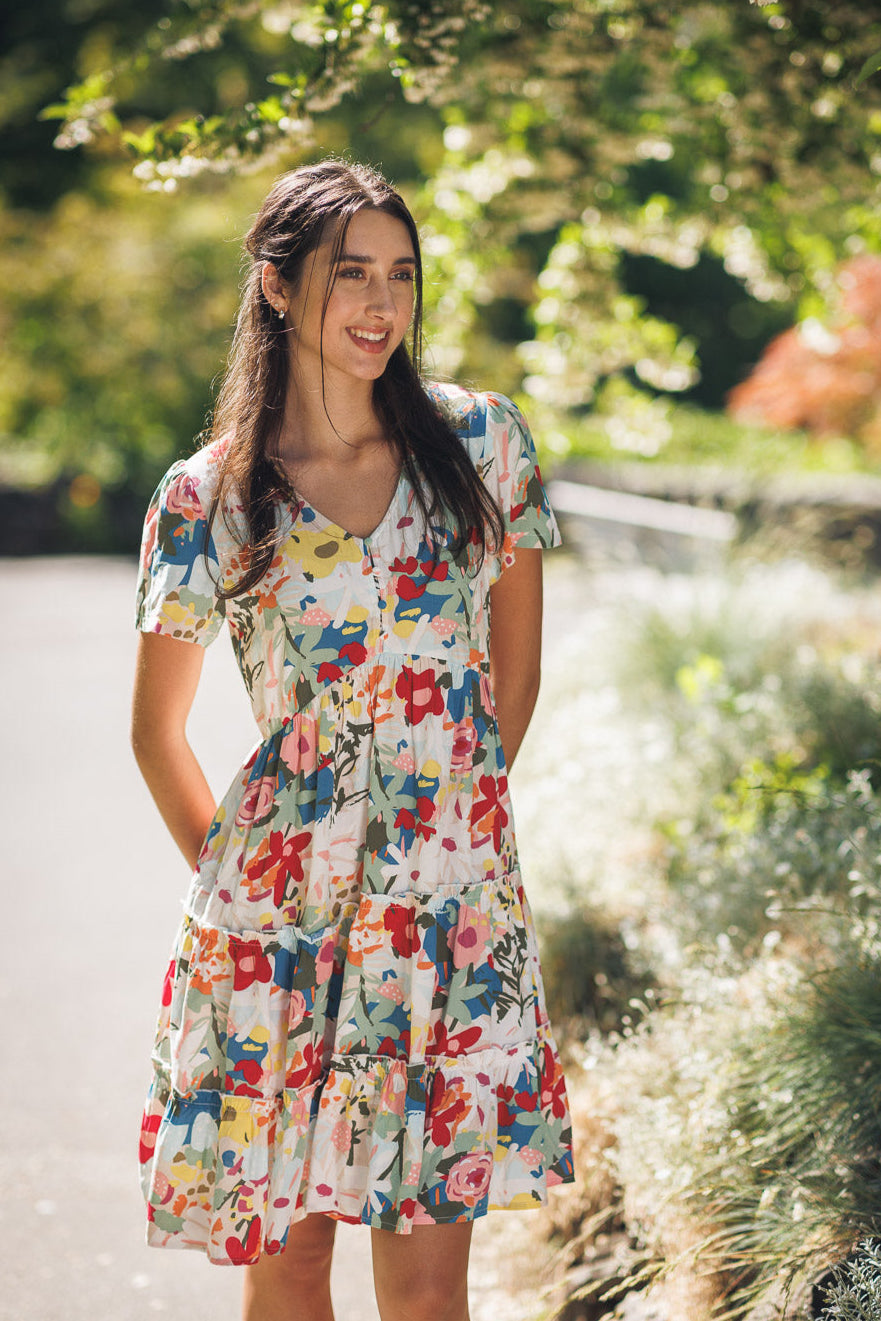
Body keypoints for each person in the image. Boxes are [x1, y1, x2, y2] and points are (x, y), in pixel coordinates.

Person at [131, 158, 574, 1321]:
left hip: (445, 919)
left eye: (401, 276)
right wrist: (250, 899)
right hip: (274, 935)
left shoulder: (480, 443)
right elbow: (156, 733)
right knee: (289, 1270)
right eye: (348, 276)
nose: (380, 306)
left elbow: (510, 674)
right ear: (276, 287)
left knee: (429, 1293)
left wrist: (442, 843)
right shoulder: (212, 495)